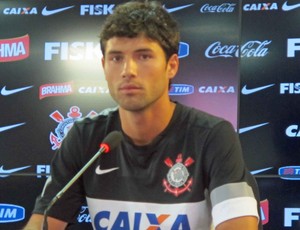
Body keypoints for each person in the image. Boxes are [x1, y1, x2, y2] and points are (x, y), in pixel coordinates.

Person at [24, 1, 261, 229]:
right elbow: (43, 222)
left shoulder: (212, 137)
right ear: (104, 66)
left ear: (172, 66)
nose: (128, 71)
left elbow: (239, 225)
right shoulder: (85, 137)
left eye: (144, 56)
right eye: (117, 58)